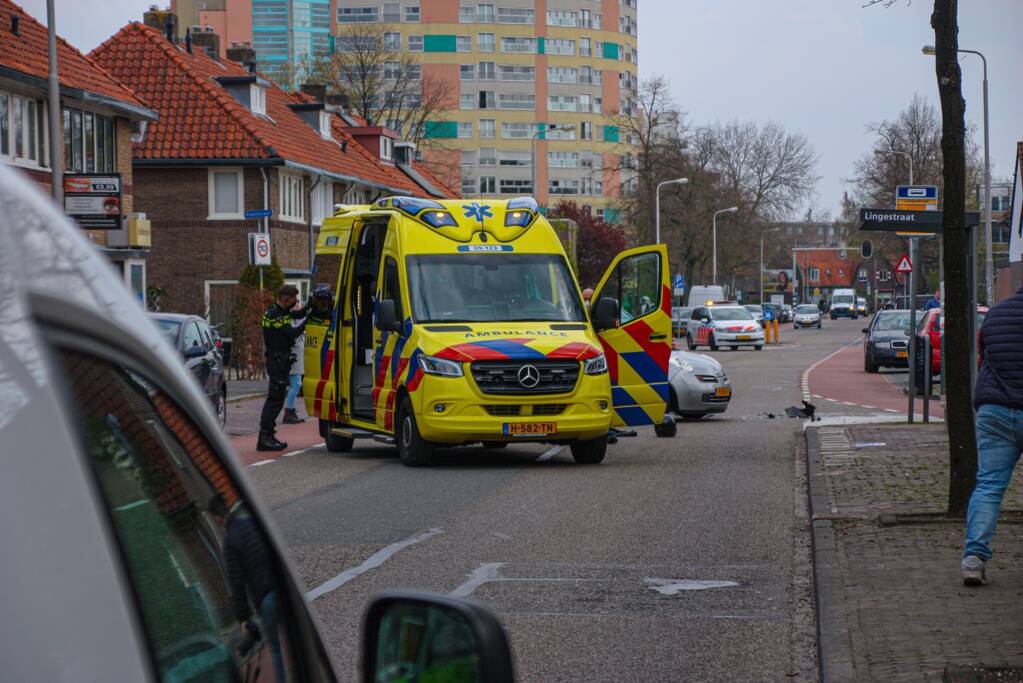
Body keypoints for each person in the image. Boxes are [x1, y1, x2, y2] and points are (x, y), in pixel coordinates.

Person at [961, 284, 1023, 586]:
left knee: (988, 486)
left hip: (994, 410)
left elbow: (984, 356)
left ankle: (973, 558)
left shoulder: (996, 314)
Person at [210, 496, 287, 682]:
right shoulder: (252, 522)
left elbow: (237, 584)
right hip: (282, 588)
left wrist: (243, 619)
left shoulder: (230, 542)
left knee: (275, 650)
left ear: (217, 518)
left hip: (266, 598)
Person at [258, 284, 308, 451]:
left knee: (277, 400)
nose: (296, 302)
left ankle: (269, 435)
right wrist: (308, 321)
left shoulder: (280, 310)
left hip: (280, 361)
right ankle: (264, 438)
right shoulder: (275, 315)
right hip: (277, 361)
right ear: (285, 299)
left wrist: (311, 307)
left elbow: (298, 313)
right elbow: (292, 333)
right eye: (294, 299)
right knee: (274, 401)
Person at [282, 309, 305, 425]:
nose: (297, 306)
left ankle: (291, 410)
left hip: (298, 359)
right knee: (296, 385)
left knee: (295, 385)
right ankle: (289, 411)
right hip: (294, 359)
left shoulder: (298, 320)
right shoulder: (290, 322)